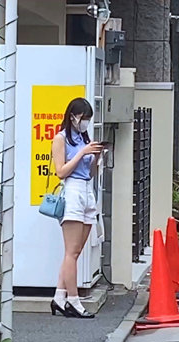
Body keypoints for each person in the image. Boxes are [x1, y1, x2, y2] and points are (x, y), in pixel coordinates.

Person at [49, 98, 102, 319]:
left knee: (76, 250)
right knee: (71, 251)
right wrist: (82, 153)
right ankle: (73, 300)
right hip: (72, 191)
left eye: (88, 119)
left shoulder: (83, 138)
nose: (85, 122)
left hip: (87, 191)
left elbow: (90, 173)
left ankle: (59, 296)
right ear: (72, 116)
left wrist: (96, 157)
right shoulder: (60, 139)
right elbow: (61, 172)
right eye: (83, 118)